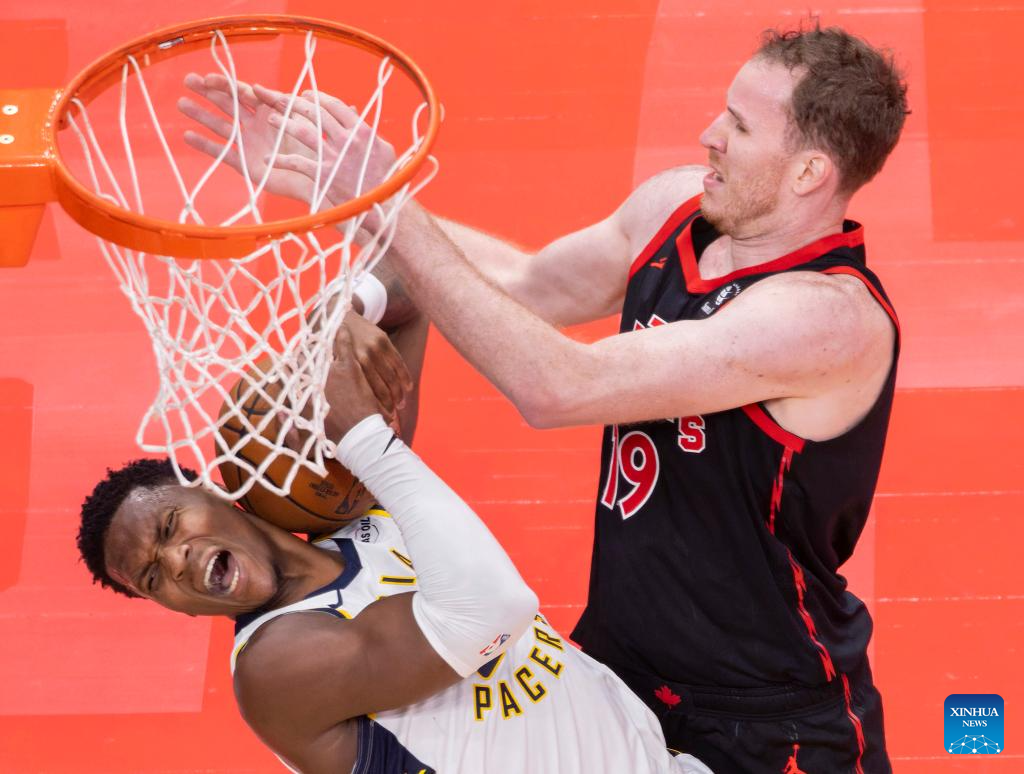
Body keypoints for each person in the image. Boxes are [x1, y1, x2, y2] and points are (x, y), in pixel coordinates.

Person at [182, 22, 907, 772]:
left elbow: (560, 386)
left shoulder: (825, 319)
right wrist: (345, 195)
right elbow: (529, 285)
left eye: (741, 126)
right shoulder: (675, 208)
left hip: (764, 713)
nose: (709, 134)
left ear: (809, 172)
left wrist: (389, 202)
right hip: (616, 670)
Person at [77, 305, 713, 773]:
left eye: (170, 527)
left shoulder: (344, 516)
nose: (176, 561)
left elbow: (408, 294)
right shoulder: (275, 668)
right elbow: (492, 611)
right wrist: (365, 440)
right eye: (153, 578)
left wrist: (344, 316)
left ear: (213, 491)